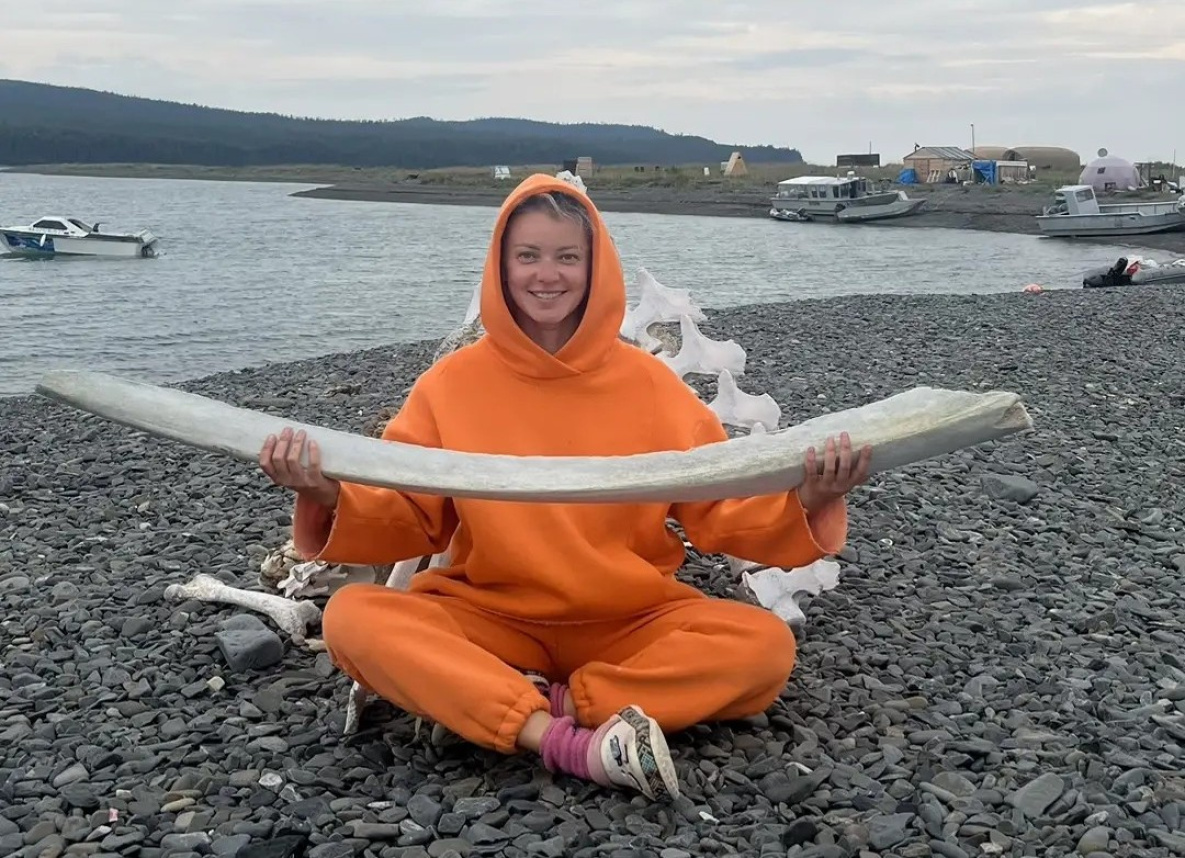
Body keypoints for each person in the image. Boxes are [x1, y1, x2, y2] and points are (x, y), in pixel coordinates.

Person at [259, 173, 871, 802]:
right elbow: (412, 515)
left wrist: (813, 496)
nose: (546, 274)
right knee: (354, 618)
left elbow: (722, 506)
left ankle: (531, 703)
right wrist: (325, 493)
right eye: (527, 255)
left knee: (764, 648)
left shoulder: (651, 387)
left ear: (594, 266)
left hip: (630, 618)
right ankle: (563, 739)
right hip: (489, 613)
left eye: (567, 257)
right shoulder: (450, 385)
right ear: (501, 266)